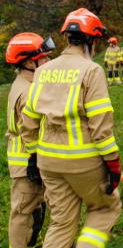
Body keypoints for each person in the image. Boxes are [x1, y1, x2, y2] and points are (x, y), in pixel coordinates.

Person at [20, 8, 122, 248]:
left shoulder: (42, 71)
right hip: (83, 160)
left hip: (48, 161)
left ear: (67, 38)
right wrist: (113, 161)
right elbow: (100, 124)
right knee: (105, 208)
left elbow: (29, 120)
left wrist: (33, 155)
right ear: (92, 40)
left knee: (62, 221)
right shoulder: (91, 71)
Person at [6, 32, 55, 248]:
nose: (48, 61)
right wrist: (36, 159)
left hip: (28, 162)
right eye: (44, 58)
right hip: (27, 163)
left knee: (33, 210)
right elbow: (32, 130)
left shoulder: (26, 83)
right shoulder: (27, 93)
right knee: (23, 214)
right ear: (28, 61)